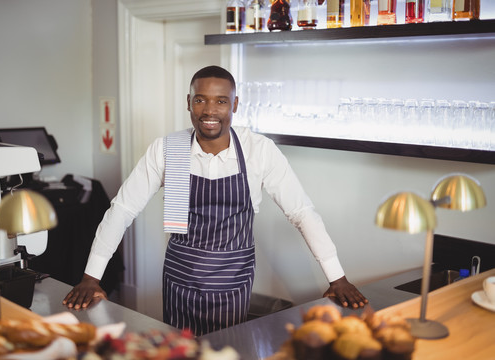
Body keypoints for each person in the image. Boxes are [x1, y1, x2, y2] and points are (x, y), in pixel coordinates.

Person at [63, 65, 368, 336]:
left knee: (227, 349)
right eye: (201, 100)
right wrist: (92, 276)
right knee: (181, 349)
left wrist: (337, 277)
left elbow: (301, 211)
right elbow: (123, 209)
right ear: (189, 103)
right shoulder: (168, 149)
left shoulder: (258, 150)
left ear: (234, 104)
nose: (210, 111)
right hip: (179, 278)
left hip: (232, 281)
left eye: (221, 101)